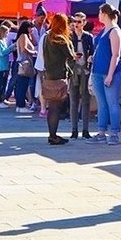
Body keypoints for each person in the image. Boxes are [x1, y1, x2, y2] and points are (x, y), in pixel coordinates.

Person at [89, 3, 121, 145]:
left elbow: (116, 55)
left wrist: (110, 75)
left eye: (99, 13)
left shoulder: (115, 31)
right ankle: (101, 133)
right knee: (102, 104)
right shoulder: (104, 30)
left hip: (111, 73)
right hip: (97, 72)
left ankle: (114, 133)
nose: (98, 16)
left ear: (104, 14)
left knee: (112, 103)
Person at [41, 13, 72, 145]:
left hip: (48, 75)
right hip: (59, 76)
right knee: (56, 108)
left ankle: (52, 134)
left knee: (51, 106)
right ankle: (53, 136)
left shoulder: (47, 37)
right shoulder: (60, 39)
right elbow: (70, 55)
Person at [68, 13, 94, 138]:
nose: (76, 24)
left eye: (79, 22)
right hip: (73, 71)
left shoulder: (88, 37)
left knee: (86, 101)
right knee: (73, 101)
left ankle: (85, 130)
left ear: (84, 23)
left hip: (85, 71)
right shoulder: (69, 36)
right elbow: (66, 53)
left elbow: (92, 51)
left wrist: (90, 57)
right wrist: (73, 56)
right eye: (75, 22)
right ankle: (74, 130)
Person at [13, 20, 37, 114]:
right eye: (31, 28)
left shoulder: (26, 36)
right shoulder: (23, 36)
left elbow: (35, 43)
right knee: (22, 85)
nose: (32, 29)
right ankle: (21, 105)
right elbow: (24, 49)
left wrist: (31, 34)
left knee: (22, 85)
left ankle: (20, 105)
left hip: (24, 62)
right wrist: (33, 52)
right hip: (24, 62)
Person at [0, 24, 16, 107]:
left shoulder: (3, 41)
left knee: (3, 83)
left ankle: (1, 99)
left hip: (4, 65)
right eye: (6, 32)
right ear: (3, 32)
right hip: (0, 65)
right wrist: (12, 48)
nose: (7, 34)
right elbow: (2, 53)